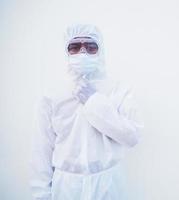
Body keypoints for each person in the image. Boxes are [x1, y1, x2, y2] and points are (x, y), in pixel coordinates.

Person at [29, 24, 144, 200]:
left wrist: (94, 102)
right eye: (74, 47)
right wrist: (41, 195)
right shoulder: (52, 93)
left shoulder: (118, 88)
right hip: (67, 187)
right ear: (66, 51)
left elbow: (132, 136)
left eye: (91, 47)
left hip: (109, 184)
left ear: (101, 50)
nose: (82, 53)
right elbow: (42, 151)